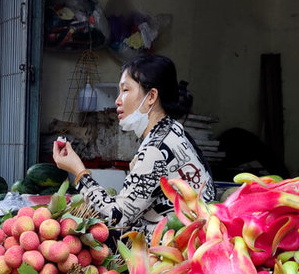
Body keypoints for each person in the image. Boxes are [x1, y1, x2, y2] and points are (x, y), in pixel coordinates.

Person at [52, 54, 215, 238]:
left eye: (125, 90)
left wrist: (79, 172)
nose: (117, 100)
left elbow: (117, 218)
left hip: (172, 254)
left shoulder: (157, 149)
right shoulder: (171, 131)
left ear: (151, 96)